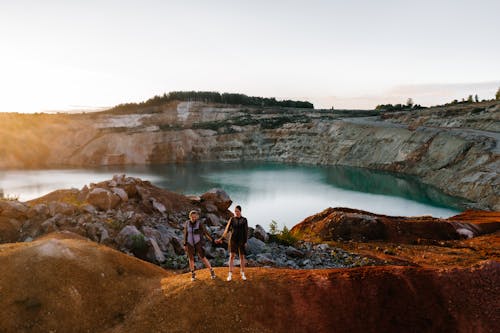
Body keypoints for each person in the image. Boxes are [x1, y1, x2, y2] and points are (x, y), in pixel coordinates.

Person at [216, 205, 248, 281]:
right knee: (232, 256)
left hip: (241, 240)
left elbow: (246, 231)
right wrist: (221, 238)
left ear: (240, 211)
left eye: (237, 211)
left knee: (242, 257)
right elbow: (226, 230)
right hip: (233, 240)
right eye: (235, 211)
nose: (236, 213)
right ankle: (230, 274)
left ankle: (242, 273)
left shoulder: (244, 220)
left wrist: (245, 241)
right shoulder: (232, 219)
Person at [183, 210, 216, 281]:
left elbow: (205, 232)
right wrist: (185, 244)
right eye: (192, 217)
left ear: (197, 217)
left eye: (195, 217)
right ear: (190, 217)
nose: (193, 218)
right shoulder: (187, 223)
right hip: (189, 243)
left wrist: (212, 240)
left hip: (198, 243)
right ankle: (193, 274)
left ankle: (211, 271)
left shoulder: (199, 223)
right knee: (191, 258)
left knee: (202, 257)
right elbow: (185, 234)